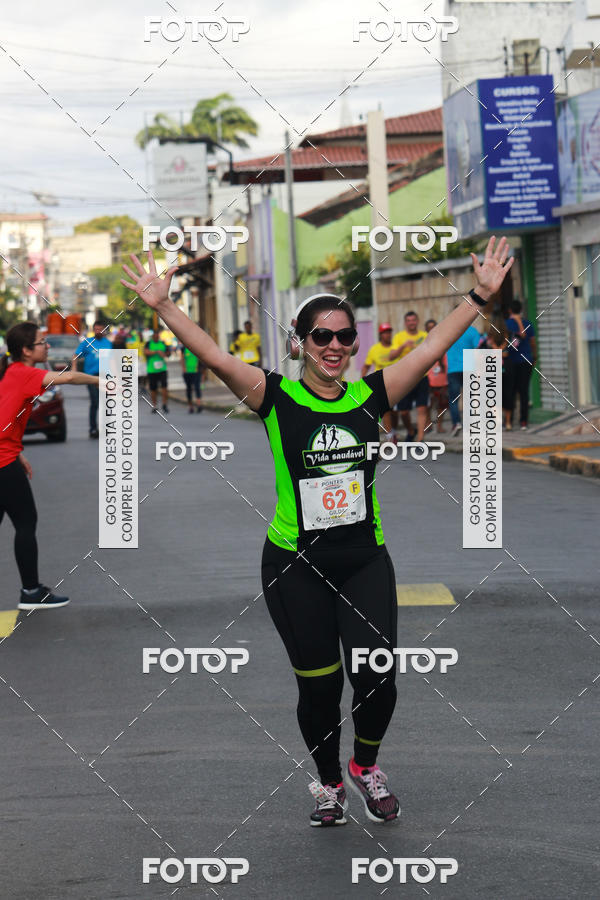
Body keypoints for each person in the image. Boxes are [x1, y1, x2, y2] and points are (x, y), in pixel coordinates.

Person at [120, 236, 513, 827]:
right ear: (300, 342)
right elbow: (216, 357)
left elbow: (433, 346)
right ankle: (328, 782)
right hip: (294, 564)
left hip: (363, 559)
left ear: (354, 343)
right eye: (321, 336)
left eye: (344, 336)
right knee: (320, 687)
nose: (334, 346)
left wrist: (478, 296)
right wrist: (165, 307)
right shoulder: (275, 396)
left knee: (378, 677)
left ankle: (364, 766)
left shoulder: (372, 394)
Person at [1, 323, 100, 609]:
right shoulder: (24, 372)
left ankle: (31, 591)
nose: (47, 346)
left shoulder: (12, 372)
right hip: (2, 460)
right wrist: (101, 381)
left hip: (6, 455)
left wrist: (17, 451)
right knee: (25, 522)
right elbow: (68, 377)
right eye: (42, 342)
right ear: (26, 350)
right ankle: (31, 592)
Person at [388, 311, 428, 441]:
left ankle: (420, 439)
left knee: (422, 408)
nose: (411, 323)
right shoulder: (399, 337)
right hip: (405, 378)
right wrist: (403, 346)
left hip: (422, 376)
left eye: (413, 320)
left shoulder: (424, 336)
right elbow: (391, 356)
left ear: (417, 321)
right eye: (409, 320)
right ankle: (411, 431)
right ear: (405, 323)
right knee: (404, 412)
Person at [71, 320, 113, 439]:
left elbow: (111, 360)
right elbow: (76, 355)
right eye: (96, 329)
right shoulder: (87, 342)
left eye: (100, 329)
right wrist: (74, 368)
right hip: (91, 376)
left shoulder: (108, 343)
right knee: (95, 402)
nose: (98, 331)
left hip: (105, 376)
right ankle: (93, 428)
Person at [361, 323, 398, 442]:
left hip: (397, 383)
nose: (388, 335)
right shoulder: (374, 349)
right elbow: (366, 365)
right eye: (385, 332)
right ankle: (390, 437)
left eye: (389, 332)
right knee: (385, 411)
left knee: (397, 412)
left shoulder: (396, 347)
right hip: (381, 383)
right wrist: (362, 380)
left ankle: (394, 431)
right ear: (381, 334)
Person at [445, 317, 482, 436]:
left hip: (453, 369)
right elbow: (478, 349)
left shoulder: (448, 332)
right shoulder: (472, 331)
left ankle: (456, 423)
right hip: (469, 367)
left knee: (454, 399)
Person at [504, 299, 537, 430]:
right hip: (526, 360)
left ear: (509, 310)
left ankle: (509, 421)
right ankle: (524, 421)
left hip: (511, 361)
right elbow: (533, 342)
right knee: (524, 391)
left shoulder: (506, 324)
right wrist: (534, 356)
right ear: (521, 310)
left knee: (510, 391)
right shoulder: (528, 323)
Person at [424, 318, 448, 433]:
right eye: (429, 328)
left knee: (442, 405)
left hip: (442, 379)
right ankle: (428, 424)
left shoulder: (443, 341)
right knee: (428, 405)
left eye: (433, 327)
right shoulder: (424, 343)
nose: (431, 329)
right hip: (429, 379)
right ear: (426, 329)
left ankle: (439, 426)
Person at [144, 328, 170, 413]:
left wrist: (164, 354)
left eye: (157, 336)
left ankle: (164, 404)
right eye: (155, 336)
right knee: (153, 389)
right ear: (152, 337)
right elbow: (146, 352)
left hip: (162, 369)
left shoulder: (163, 343)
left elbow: (168, 353)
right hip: (152, 370)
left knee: (164, 387)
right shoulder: (148, 343)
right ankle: (154, 405)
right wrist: (156, 352)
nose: (156, 337)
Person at [180, 342, 203, 413]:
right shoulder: (184, 349)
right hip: (187, 372)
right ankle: (190, 406)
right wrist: (184, 369)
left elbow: (200, 359)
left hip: (196, 371)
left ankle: (199, 404)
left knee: (197, 387)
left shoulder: (196, 348)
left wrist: (201, 370)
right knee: (189, 389)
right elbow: (182, 359)